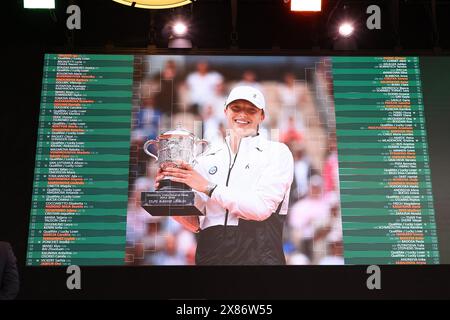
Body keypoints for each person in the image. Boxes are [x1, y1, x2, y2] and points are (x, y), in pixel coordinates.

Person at [155, 86, 294, 265]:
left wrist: (209, 187)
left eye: (251, 110)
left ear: (262, 116)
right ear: (225, 111)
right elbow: (197, 223)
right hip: (209, 257)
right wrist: (171, 198)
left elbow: (261, 208)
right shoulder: (206, 157)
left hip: (259, 257)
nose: (242, 115)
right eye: (236, 108)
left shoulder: (276, 152)